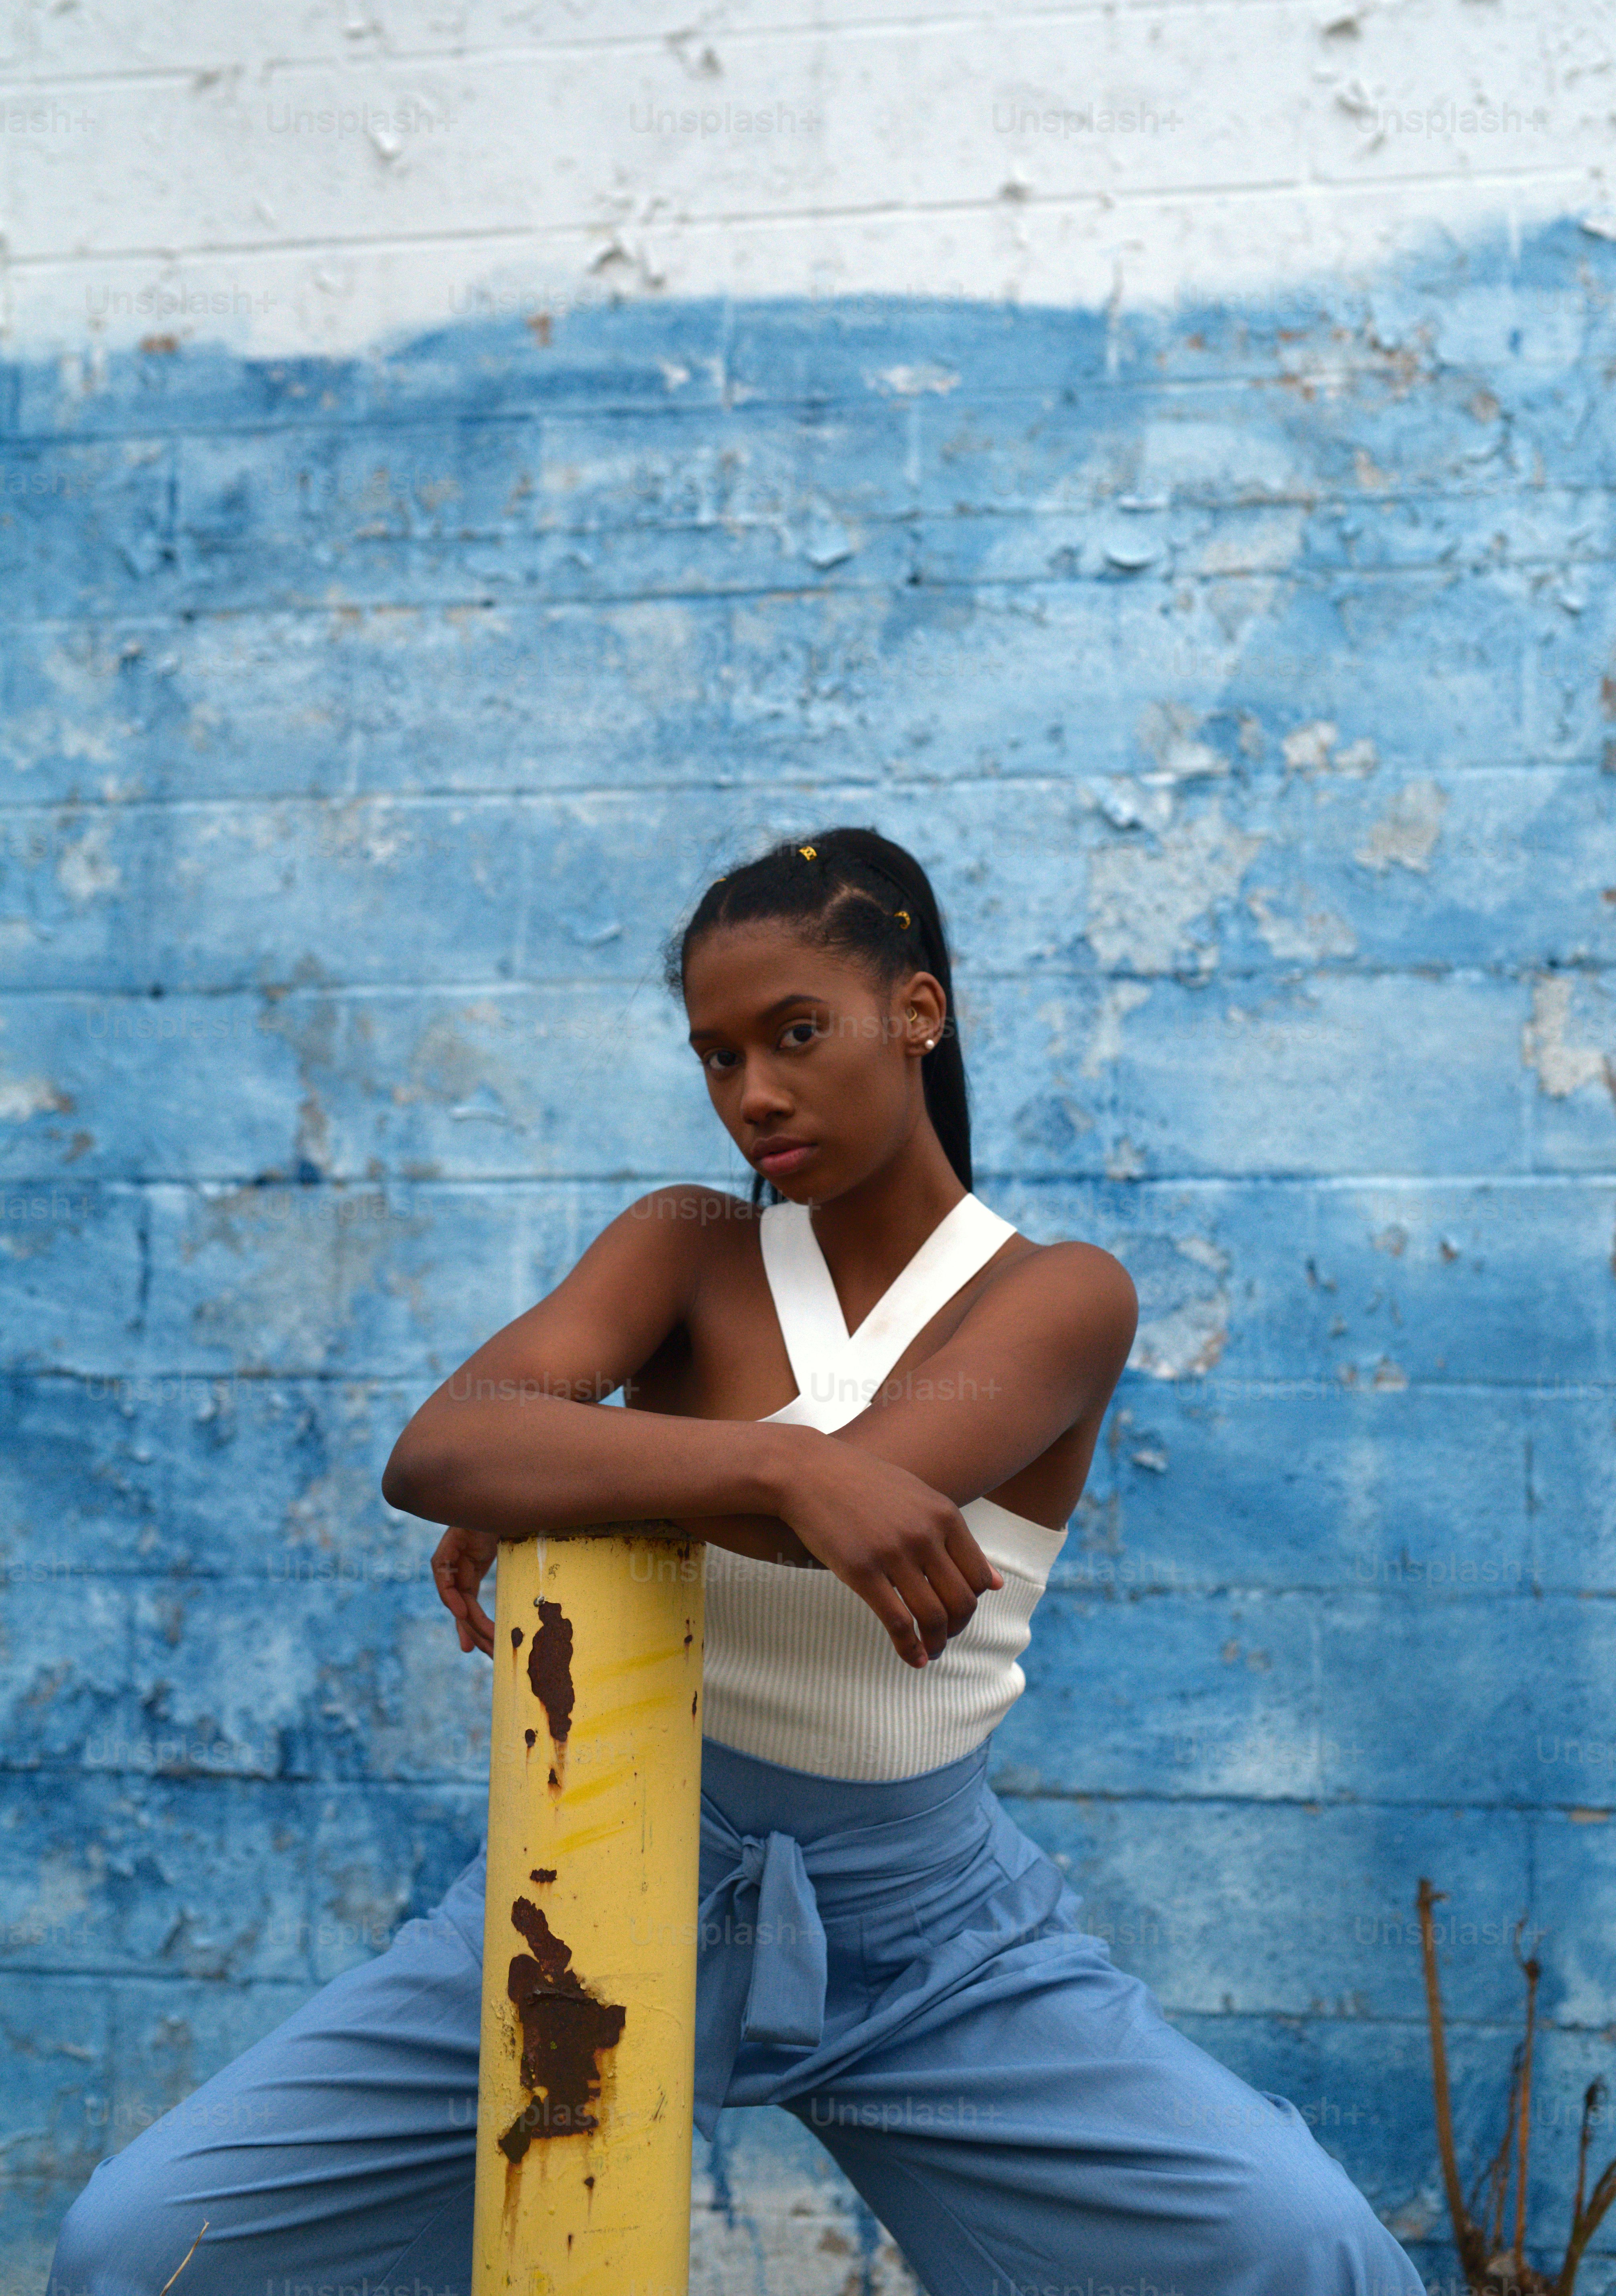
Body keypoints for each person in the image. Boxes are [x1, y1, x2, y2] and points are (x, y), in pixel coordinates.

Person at [49, 826, 1425, 2296]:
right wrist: (769, 1457)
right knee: (138, 2244)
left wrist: (586, 1472)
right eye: (716, 1057)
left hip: (931, 1937)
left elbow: (861, 1516)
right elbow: (444, 1447)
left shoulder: (1056, 1295)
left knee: (1303, 2247)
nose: (752, 1094)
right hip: (582, 1881)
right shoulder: (686, 1247)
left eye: (795, 1034)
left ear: (917, 1015)